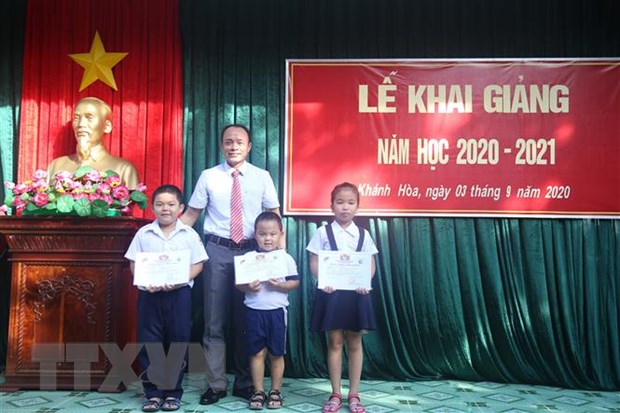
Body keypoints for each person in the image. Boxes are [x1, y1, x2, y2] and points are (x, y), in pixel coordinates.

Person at [181, 124, 281, 405]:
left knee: (247, 320)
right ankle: (215, 384)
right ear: (222, 146)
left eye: (239, 142)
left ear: (249, 147)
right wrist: (169, 240)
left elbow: (274, 215)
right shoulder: (209, 176)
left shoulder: (262, 177)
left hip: (252, 253)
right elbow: (191, 215)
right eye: (228, 141)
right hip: (217, 251)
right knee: (214, 321)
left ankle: (246, 382)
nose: (233, 146)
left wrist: (278, 257)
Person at [125, 184, 208, 412]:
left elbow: (198, 264)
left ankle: (172, 392)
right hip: (149, 295)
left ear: (180, 208)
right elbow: (134, 263)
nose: (165, 209)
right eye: (160, 204)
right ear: (152, 208)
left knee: (177, 342)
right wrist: (144, 281)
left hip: (179, 295)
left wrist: (181, 278)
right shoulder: (143, 233)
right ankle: (152, 393)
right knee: (149, 342)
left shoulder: (189, 234)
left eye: (171, 204)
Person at [307, 182, 379, 413]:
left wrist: (365, 282)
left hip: (357, 295)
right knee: (335, 342)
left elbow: (370, 263)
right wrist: (322, 280)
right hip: (332, 294)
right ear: (331, 206)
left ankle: (354, 394)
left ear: (357, 207)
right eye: (340, 202)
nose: (345, 207)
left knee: (355, 342)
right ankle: (336, 393)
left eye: (350, 203)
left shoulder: (363, 234)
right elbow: (314, 262)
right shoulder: (322, 232)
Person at [236, 211, 299, 410]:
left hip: (277, 312)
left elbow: (295, 282)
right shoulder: (248, 258)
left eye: (272, 234)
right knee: (256, 353)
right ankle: (258, 391)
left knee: (276, 353)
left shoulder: (285, 258)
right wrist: (248, 287)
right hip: (254, 312)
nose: (268, 238)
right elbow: (239, 285)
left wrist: (280, 285)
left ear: (281, 234)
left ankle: (275, 391)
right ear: (255, 235)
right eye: (262, 234)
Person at [48, 96, 139, 188]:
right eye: (76, 118)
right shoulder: (56, 166)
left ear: (107, 126)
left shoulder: (124, 169)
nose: (81, 124)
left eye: (89, 117)